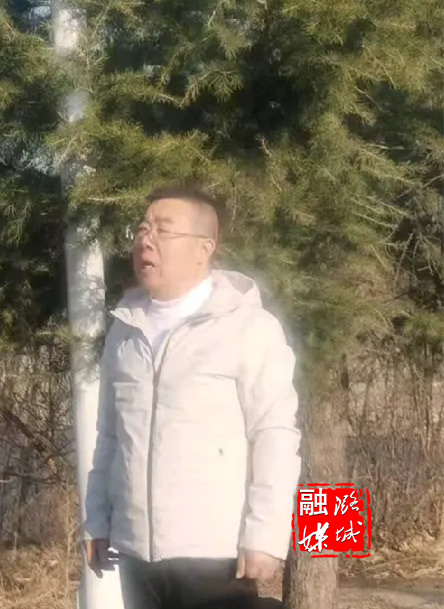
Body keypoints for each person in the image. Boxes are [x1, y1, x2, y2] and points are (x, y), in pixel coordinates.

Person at [82, 185, 301, 609]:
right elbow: (109, 436)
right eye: (141, 229)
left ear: (204, 248)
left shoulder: (248, 327)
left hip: (215, 552)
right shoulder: (124, 329)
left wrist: (266, 534)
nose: (145, 241)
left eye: (163, 230)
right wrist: (98, 521)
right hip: (136, 552)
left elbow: (274, 433)